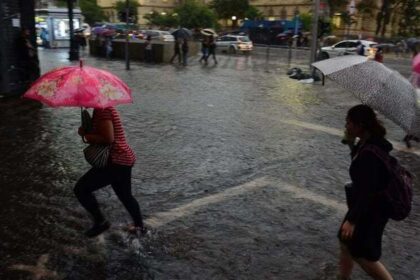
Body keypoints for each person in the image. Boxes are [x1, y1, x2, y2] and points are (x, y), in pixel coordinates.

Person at [338, 104, 393, 280]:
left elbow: (368, 190)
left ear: (360, 125)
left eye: (349, 123)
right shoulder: (367, 142)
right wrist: (351, 145)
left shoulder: (371, 152)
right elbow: (360, 167)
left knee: (363, 255)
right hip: (367, 206)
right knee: (345, 241)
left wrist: (352, 221)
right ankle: (343, 277)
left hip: (371, 209)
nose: (346, 126)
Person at [75, 107, 146, 238]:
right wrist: (85, 132)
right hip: (122, 159)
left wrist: (87, 136)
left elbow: (108, 138)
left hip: (115, 160)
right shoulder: (100, 109)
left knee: (81, 189)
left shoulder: (103, 110)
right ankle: (140, 227)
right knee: (126, 196)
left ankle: (101, 222)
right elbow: (103, 135)